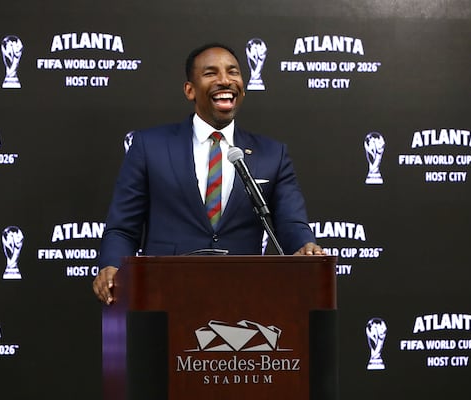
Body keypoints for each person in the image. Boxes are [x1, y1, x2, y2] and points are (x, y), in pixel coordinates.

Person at [92, 43, 324, 305]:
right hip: (165, 298)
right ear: (190, 90)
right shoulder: (150, 147)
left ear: (243, 88)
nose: (225, 80)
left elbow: (291, 223)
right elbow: (123, 228)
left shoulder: (272, 154)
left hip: (244, 299)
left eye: (233, 72)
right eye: (211, 73)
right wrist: (111, 267)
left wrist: (304, 246)